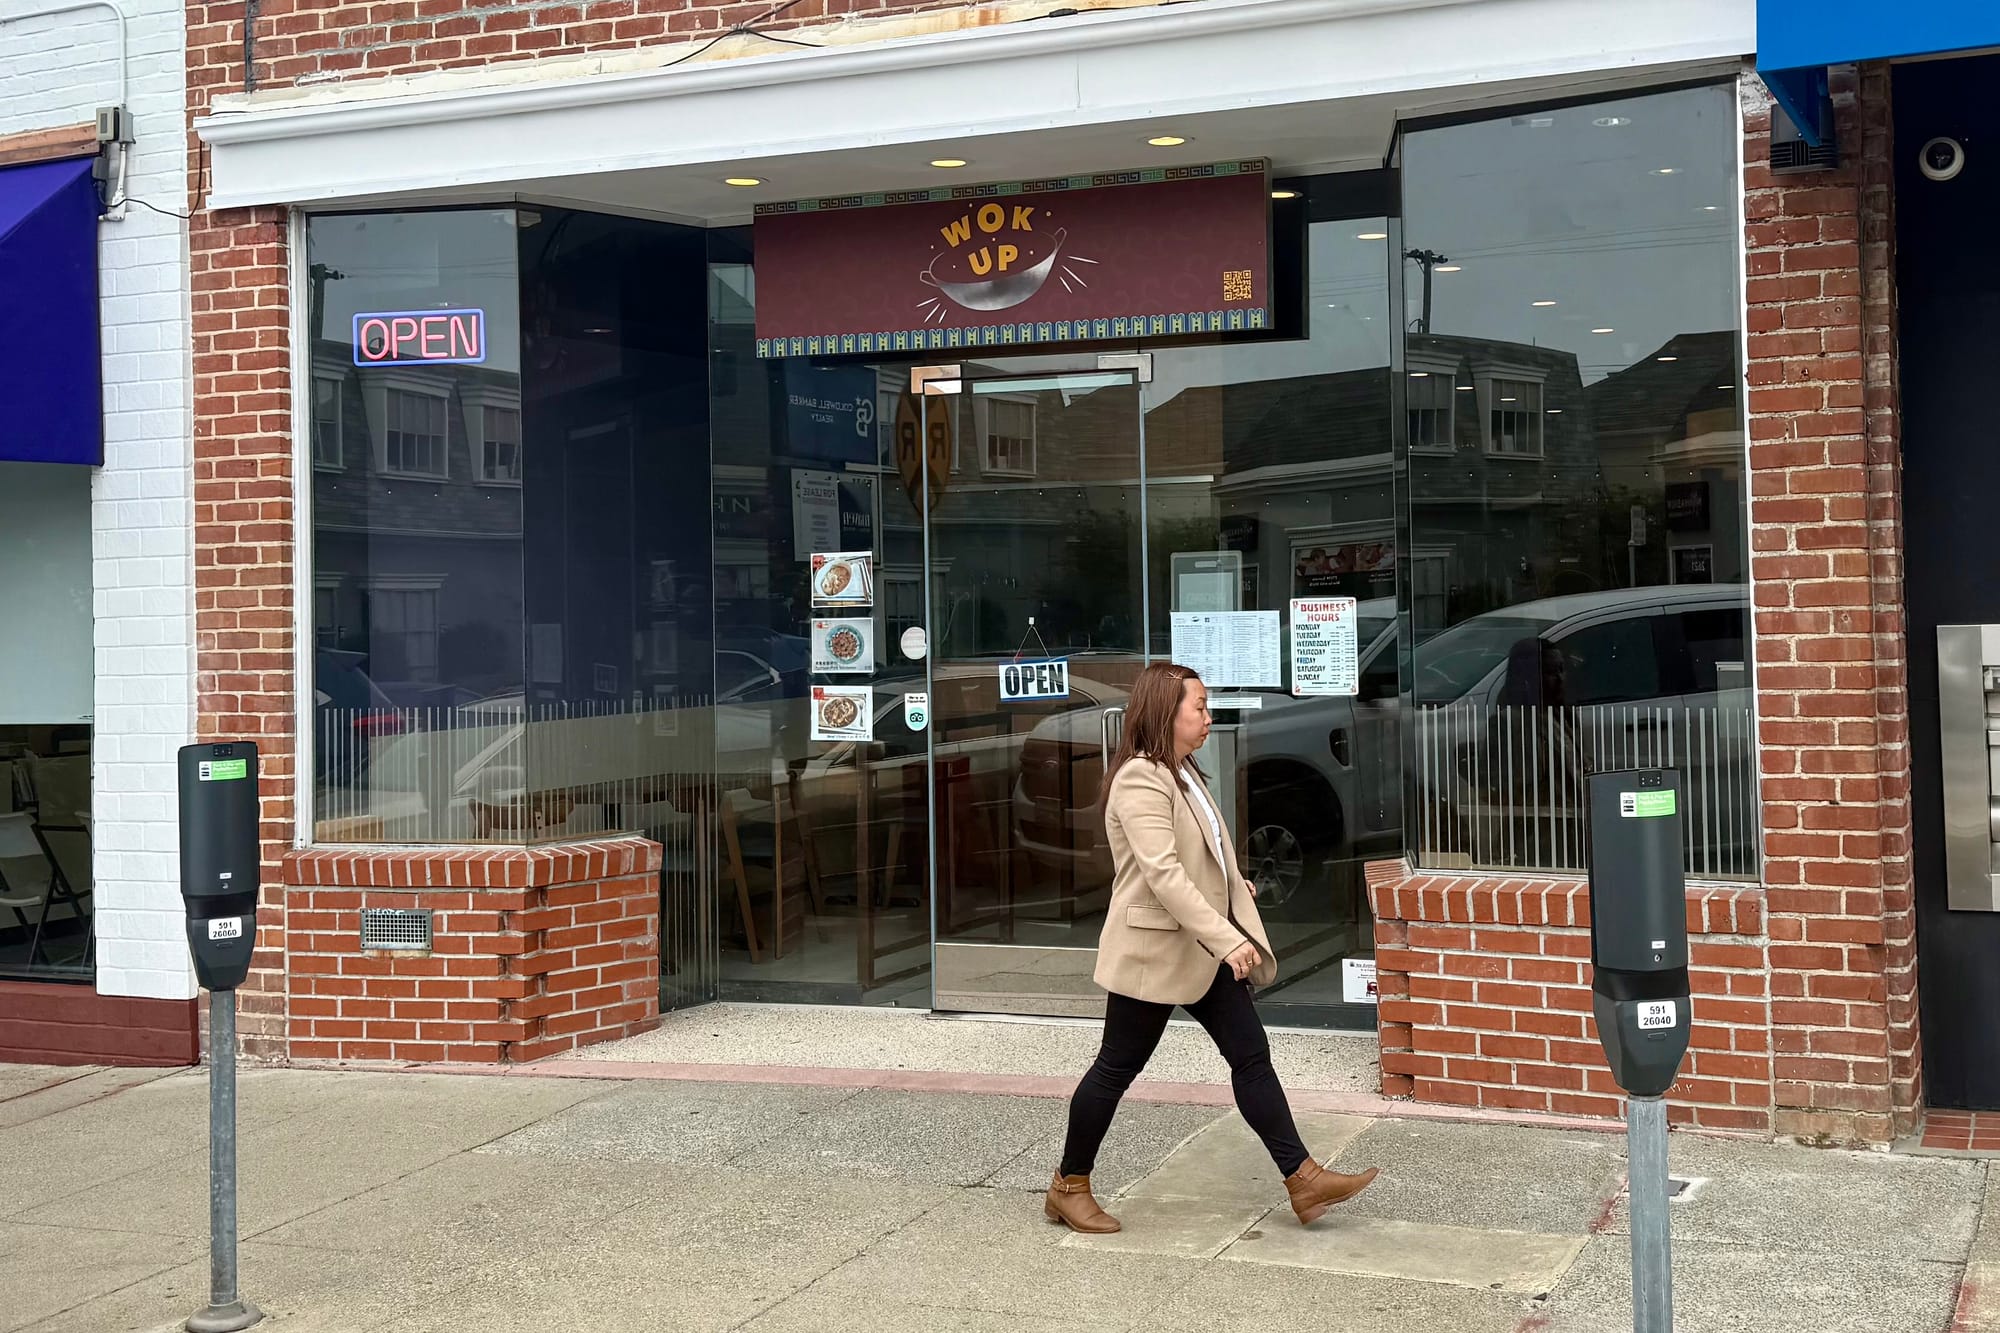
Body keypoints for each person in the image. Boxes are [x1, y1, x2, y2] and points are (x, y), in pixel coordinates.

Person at [1044, 662, 1380, 1235]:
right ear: (1163, 714)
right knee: (1115, 1069)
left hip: (1199, 947)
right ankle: (1069, 1185)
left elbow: (1199, 860)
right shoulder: (1139, 779)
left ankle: (1302, 1178)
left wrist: (1231, 885)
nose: (1208, 716)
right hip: (1155, 950)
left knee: (1251, 1056)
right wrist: (1228, 939)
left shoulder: (1182, 772)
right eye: (1197, 707)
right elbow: (1163, 874)